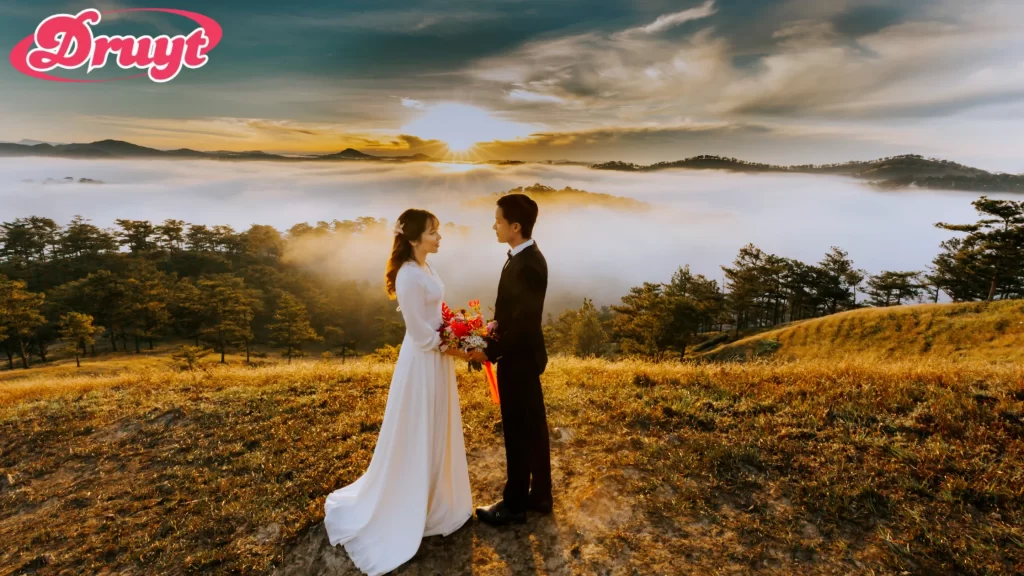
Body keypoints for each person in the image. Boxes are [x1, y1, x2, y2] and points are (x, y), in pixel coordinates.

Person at [323, 209, 472, 576]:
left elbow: (437, 314)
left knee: (437, 424)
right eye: (433, 232)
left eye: (438, 231)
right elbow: (421, 333)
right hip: (423, 361)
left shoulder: (426, 267)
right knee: (417, 425)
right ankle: (409, 502)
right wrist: (460, 348)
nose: (439, 237)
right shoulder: (408, 274)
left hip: (436, 358)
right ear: (414, 238)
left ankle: (437, 498)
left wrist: (459, 330)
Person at [469, 193, 553, 526]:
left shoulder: (529, 264)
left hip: (519, 360)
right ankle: (541, 496)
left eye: (499, 221)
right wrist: (491, 328)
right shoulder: (520, 257)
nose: (494, 225)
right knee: (533, 428)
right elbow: (511, 312)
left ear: (515, 227)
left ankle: (515, 504)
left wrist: (489, 351)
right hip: (520, 355)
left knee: (518, 431)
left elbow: (525, 323)